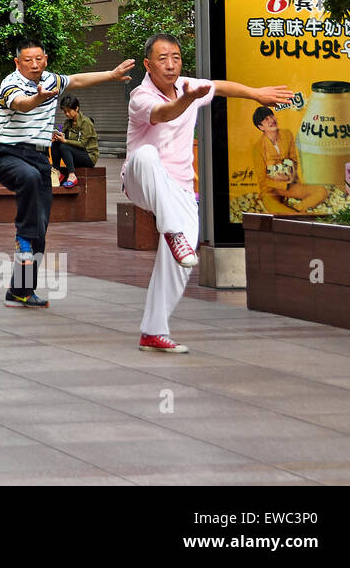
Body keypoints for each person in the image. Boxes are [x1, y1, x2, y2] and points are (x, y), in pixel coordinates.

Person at [124, 35, 293, 352]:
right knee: (146, 156)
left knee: (181, 262)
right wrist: (189, 99)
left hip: (180, 188)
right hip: (141, 180)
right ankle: (172, 230)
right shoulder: (140, 96)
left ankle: (153, 331)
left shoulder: (188, 85)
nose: (171, 64)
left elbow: (221, 86)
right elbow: (164, 113)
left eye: (175, 57)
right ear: (148, 64)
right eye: (163, 58)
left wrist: (255, 94)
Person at [0, 41, 136, 308]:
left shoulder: (52, 79)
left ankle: (20, 291)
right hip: (9, 155)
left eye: (38, 59)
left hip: (39, 157)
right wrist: (39, 98)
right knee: (30, 184)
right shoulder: (9, 83)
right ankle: (21, 237)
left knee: (41, 228)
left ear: (45, 60)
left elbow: (78, 80)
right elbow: (22, 104)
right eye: (27, 60)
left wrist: (112, 75)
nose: (34, 65)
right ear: (17, 62)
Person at [252, 106, 328, 215]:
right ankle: (296, 215)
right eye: (266, 119)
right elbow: (262, 178)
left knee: (321, 191)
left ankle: (297, 209)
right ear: (260, 127)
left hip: (291, 184)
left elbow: (294, 160)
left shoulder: (287, 134)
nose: (271, 120)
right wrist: (279, 181)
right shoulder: (258, 147)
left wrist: (290, 177)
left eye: (271, 116)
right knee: (273, 207)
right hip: (271, 190)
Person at [52, 95, 99, 189]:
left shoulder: (86, 122)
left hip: (88, 156)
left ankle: (72, 175)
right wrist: (58, 137)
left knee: (64, 146)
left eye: (69, 111)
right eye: (65, 112)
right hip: (75, 153)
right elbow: (64, 138)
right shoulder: (67, 122)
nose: (67, 114)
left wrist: (64, 140)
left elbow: (82, 144)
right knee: (56, 144)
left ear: (76, 108)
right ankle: (57, 172)